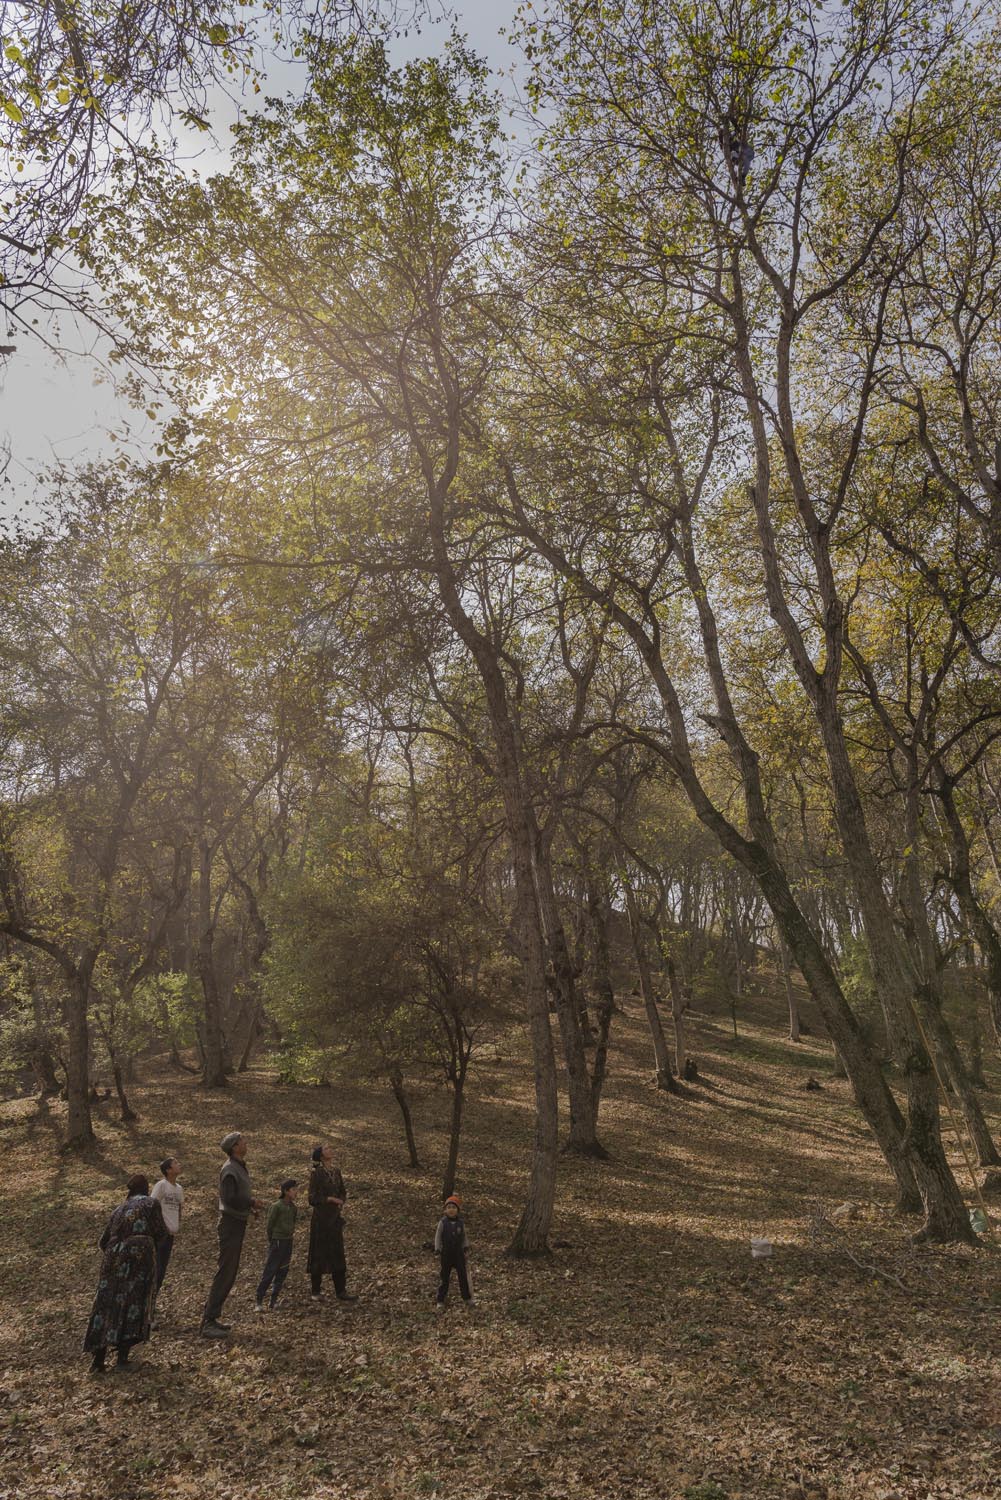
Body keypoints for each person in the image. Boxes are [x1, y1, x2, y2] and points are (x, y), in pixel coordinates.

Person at [84, 1172, 167, 1373]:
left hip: (112, 1260)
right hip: (139, 1259)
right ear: (146, 1189)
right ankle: (122, 1358)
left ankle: (98, 1361)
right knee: (134, 1303)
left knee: (107, 1305)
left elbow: (103, 1242)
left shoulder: (118, 1209)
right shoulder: (151, 1204)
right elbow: (161, 1232)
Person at [201, 1131, 261, 1338]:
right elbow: (229, 1198)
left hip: (237, 1222)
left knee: (230, 1271)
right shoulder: (229, 1169)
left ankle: (212, 1317)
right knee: (226, 1271)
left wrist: (248, 1208)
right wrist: (251, 1203)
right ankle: (208, 1322)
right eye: (242, 1140)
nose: (246, 1143)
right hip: (230, 1225)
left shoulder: (239, 1167)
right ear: (235, 1147)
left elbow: (237, 1197)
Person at [307, 1144, 357, 1303]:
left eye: (330, 1148)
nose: (330, 1150)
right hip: (321, 1220)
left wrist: (341, 1200)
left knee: (338, 1253)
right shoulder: (316, 1174)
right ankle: (315, 1291)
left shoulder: (336, 1172)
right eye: (326, 1149)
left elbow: (342, 1190)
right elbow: (312, 1198)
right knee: (319, 1253)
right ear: (321, 1156)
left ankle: (341, 1291)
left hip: (335, 1219)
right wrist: (329, 1199)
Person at [255, 1179, 298, 1312]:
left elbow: (293, 1222)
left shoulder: (293, 1208)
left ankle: (273, 1301)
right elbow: (270, 1225)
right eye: (294, 1189)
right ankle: (259, 1301)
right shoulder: (276, 1206)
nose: (296, 1192)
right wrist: (273, 1240)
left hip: (288, 1241)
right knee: (270, 1270)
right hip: (277, 1242)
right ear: (286, 1191)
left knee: (283, 1270)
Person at [435, 1193, 474, 1313]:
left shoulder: (461, 1223)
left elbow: (464, 1237)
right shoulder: (442, 1223)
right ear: (445, 1210)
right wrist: (437, 1249)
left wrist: (466, 1247)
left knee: (462, 1276)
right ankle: (440, 1299)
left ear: (457, 1210)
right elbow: (438, 1236)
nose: (451, 1210)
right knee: (444, 1277)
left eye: (453, 1207)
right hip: (446, 1254)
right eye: (448, 1207)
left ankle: (467, 1298)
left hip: (458, 1254)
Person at [150, 1156, 184, 1292]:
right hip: (160, 1235)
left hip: (170, 1235)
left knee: (162, 1270)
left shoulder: (179, 1188)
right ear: (168, 1170)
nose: (179, 1164)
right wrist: (160, 1227)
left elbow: (179, 1208)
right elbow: (151, 1205)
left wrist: (177, 1224)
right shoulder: (161, 1185)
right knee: (156, 1268)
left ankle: (153, 1298)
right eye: (175, 1163)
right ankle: (148, 1300)